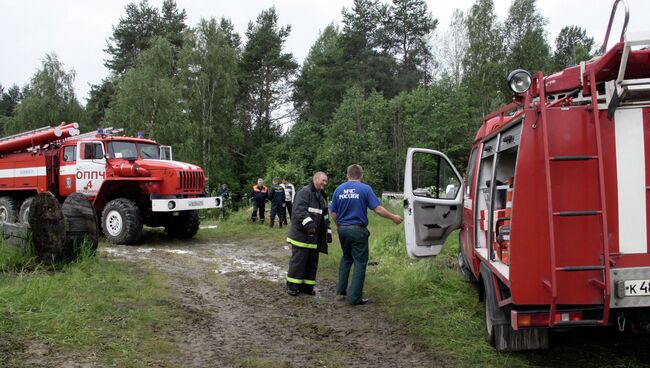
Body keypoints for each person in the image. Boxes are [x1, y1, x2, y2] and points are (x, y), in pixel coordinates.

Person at [330, 164, 403, 305]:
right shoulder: (365, 189)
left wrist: (339, 225)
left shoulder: (339, 189)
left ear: (348, 175)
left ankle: (340, 292)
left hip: (343, 230)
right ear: (361, 176)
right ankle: (354, 298)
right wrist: (393, 217)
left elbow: (333, 213)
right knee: (360, 262)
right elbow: (378, 209)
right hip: (358, 230)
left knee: (346, 258)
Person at [286, 172, 333, 296]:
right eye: (323, 180)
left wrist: (327, 231)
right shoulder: (304, 192)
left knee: (312, 263)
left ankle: (307, 286)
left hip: (314, 238)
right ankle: (293, 286)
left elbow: (325, 216)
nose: (325, 183)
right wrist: (309, 224)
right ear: (315, 179)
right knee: (299, 262)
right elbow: (299, 210)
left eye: (326, 181)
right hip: (301, 236)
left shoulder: (322, 196)